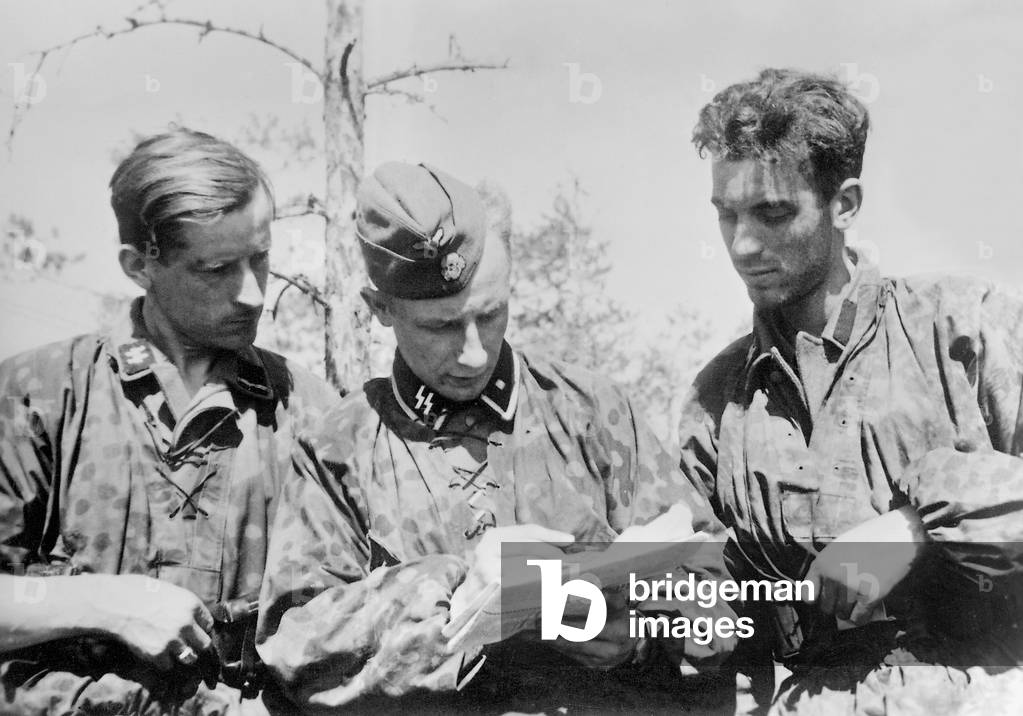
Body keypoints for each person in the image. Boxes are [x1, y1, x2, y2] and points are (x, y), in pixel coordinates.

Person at [255, 162, 737, 712]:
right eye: (439, 327)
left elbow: (719, 594)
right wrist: (455, 592)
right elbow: (294, 646)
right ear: (380, 309)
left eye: (490, 315)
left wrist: (642, 635)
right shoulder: (334, 450)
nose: (473, 353)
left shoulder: (592, 412)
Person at [678, 67, 1023, 714]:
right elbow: (724, 626)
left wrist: (916, 530)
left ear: (845, 203)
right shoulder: (714, 399)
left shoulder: (965, 330)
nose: (743, 244)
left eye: (773, 213)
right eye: (726, 216)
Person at [0, 128, 344, 714]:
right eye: (215, 270)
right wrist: (103, 604)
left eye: (260, 257)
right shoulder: (39, 398)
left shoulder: (309, 412)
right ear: (140, 266)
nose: (253, 293)